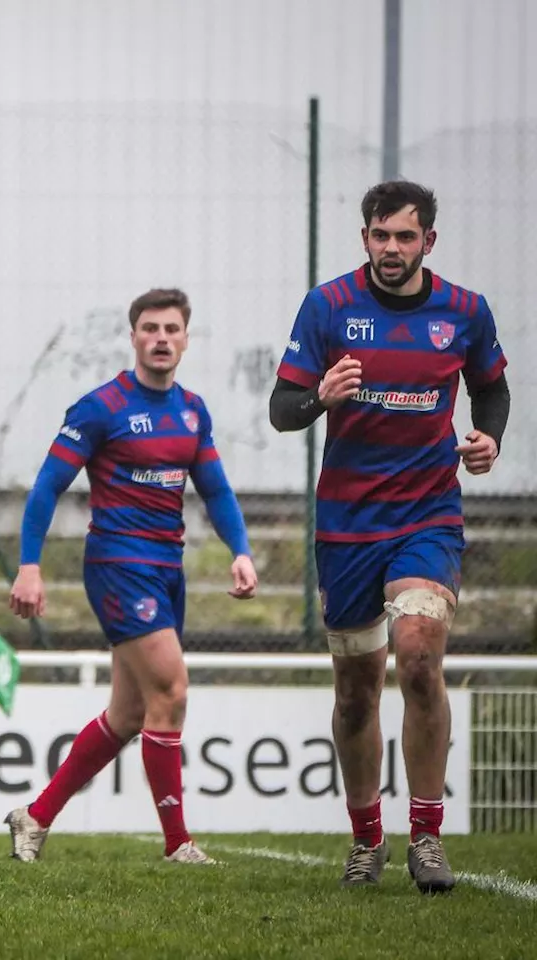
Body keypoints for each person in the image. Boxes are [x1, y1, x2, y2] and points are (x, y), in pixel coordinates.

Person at [269, 180, 509, 893]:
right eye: (381, 236)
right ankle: (367, 839)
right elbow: (284, 408)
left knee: (417, 657)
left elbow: (492, 387)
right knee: (354, 694)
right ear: (365, 238)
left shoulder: (464, 312)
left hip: (427, 516)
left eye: (406, 237)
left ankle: (427, 837)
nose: (392, 249)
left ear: (429, 241)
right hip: (346, 525)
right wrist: (322, 397)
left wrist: (488, 438)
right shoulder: (329, 307)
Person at [5, 288, 258, 864]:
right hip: (119, 566)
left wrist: (239, 550)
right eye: (150, 328)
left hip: (167, 567)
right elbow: (47, 486)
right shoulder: (101, 407)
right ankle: (179, 844)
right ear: (134, 337)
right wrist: (29, 565)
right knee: (171, 690)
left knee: (129, 715)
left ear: (186, 339)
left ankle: (34, 816)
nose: (161, 338)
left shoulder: (192, 410)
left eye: (172, 328)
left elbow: (215, 490)